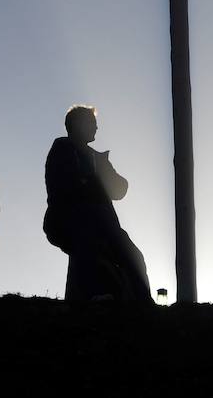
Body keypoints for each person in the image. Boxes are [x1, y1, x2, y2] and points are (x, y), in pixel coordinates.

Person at [43, 105, 150, 301]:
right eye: (91, 122)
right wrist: (94, 182)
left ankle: (143, 303)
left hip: (105, 224)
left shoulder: (98, 158)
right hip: (72, 220)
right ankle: (94, 295)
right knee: (88, 249)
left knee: (133, 256)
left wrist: (103, 178)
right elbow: (64, 187)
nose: (96, 128)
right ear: (75, 124)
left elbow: (119, 188)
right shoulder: (62, 149)